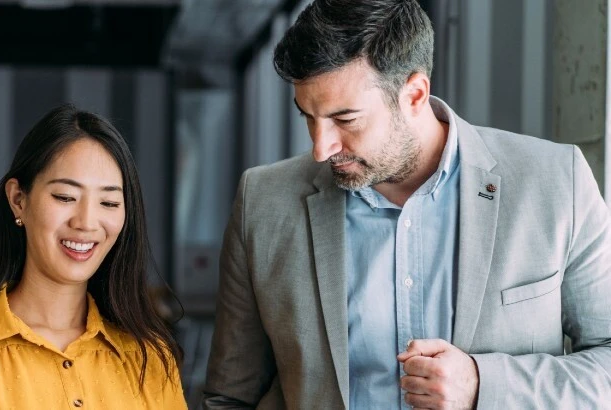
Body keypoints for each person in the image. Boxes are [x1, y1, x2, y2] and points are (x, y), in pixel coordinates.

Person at [203, 0, 611, 409]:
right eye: (309, 117)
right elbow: (231, 396)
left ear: (414, 94)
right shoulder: (263, 202)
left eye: (345, 120)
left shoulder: (556, 182)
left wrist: (484, 386)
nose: (321, 148)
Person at [0, 104, 187, 409]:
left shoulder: (149, 359)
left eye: (109, 202)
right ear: (18, 200)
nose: (86, 222)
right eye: (65, 197)